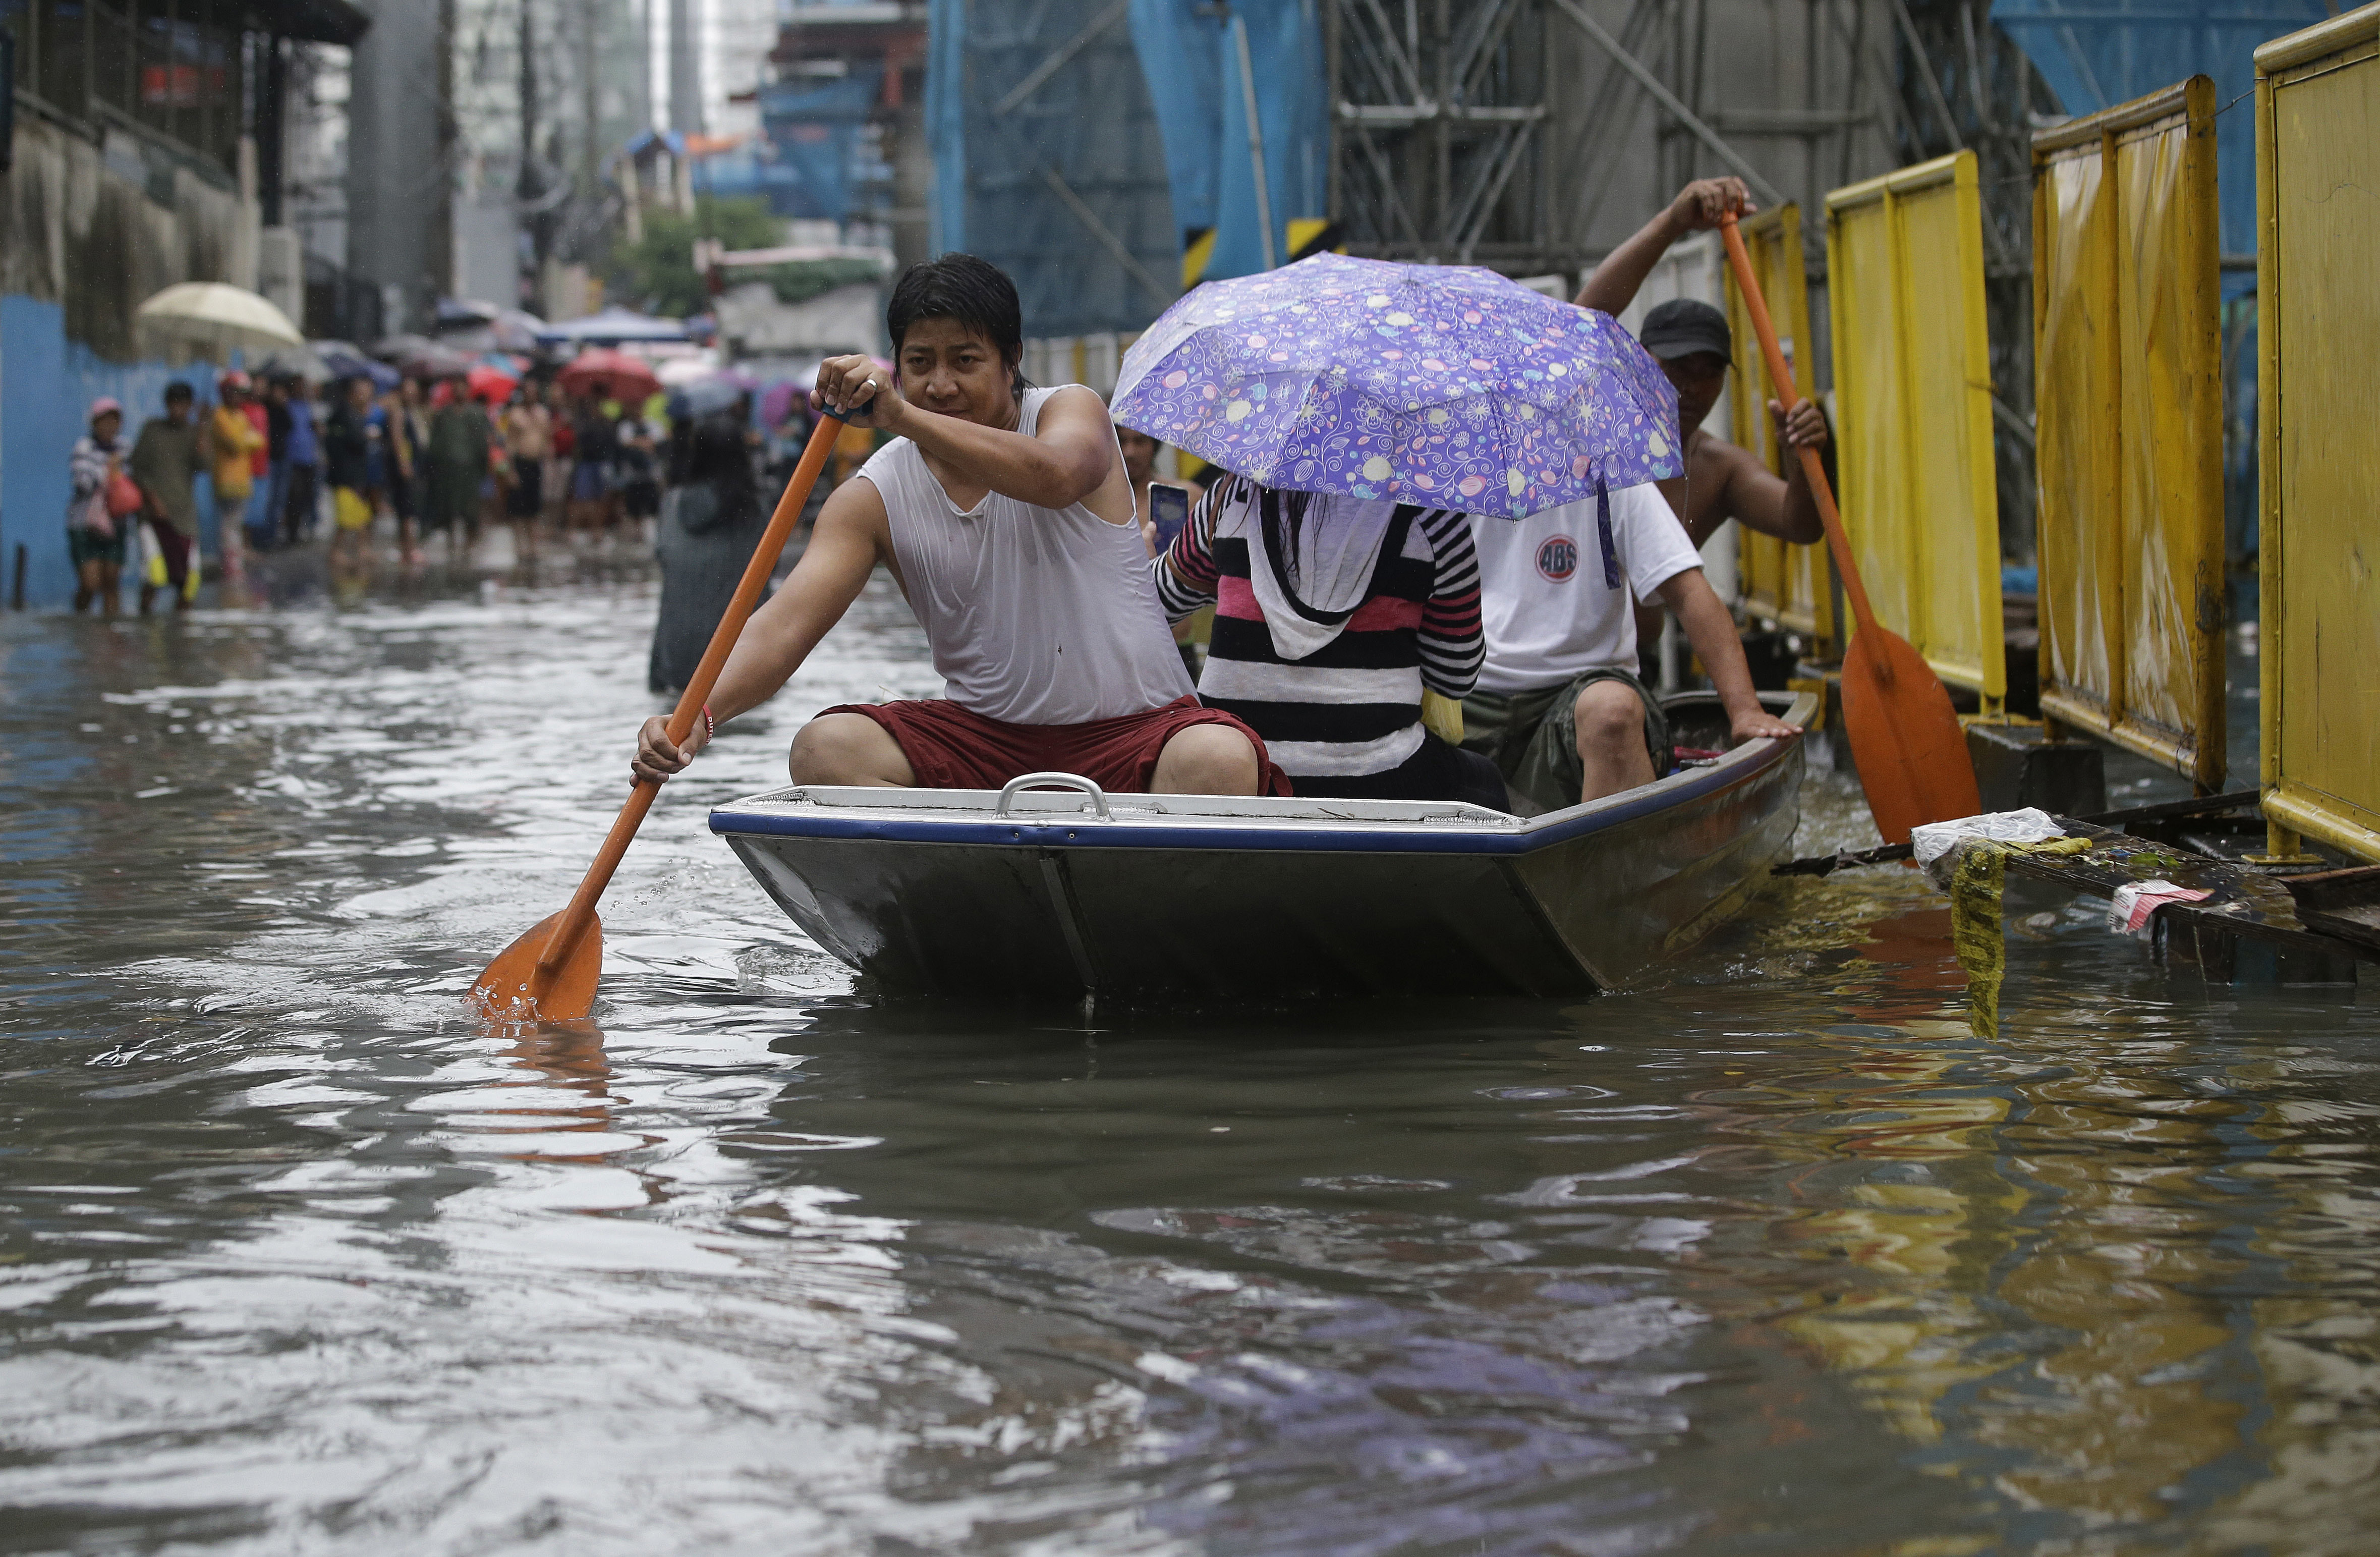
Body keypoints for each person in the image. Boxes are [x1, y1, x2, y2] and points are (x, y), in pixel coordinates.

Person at [632, 252, 1282, 799]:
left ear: (1011, 360)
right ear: (898, 364)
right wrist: (697, 714)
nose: (939, 384)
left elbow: (1054, 478)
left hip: (1133, 729)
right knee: (825, 750)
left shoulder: (1070, 411)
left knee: (1219, 757)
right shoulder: (874, 494)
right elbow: (784, 623)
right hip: (986, 740)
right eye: (919, 364)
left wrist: (899, 413)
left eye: (964, 361)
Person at [1152, 474, 1502, 807]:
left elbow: (1157, 603)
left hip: (1238, 770)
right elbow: (1456, 673)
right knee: (1486, 783)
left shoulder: (1233, 496)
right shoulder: (1434, 515)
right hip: (1381, 775)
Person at [1460, 484, 1800, 811]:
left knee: (1613, 713)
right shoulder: (1439, 480)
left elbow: (1689, 593)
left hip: (1578, 693)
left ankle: (1610, 867)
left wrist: (1745, 711)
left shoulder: (1610, 478)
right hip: (1464, 695)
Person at [1575, 178, 1830, 554]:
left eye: (1710, 372)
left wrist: (1803, 461)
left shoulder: (1719, 469)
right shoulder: (1587, 432)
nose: (1693, 387)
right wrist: (1672, 222)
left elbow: (1800, 525)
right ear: (1640, 362)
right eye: (1678, 367)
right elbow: (1578, 322)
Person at [649, 391, 764, 694]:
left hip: (675, 657)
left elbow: (663, 557)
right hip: (739, 662)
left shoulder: (671, 505)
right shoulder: (758, 514)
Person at [130, 381, 210, 613]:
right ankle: (146, 628)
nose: (178, 410)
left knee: (190, 583)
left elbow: (203, 465)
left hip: (184, 517)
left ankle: (181, 639)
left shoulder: (195, 433)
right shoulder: (152, 430)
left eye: (184, 405)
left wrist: (203, 427)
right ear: (167, 404)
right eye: (174, 404)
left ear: (190, 406)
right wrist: (153, 500)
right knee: (155, 576)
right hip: (153, 516)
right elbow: (138, 468)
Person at [67, 398, 130, 615]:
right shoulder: (83, 447)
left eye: (114, 421)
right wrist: (109, 471)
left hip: (115, 525)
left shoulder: (125, 448)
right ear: (94, 423)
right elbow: (82, 483)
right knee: (90, 584)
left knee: (112, 584)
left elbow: (132, 482)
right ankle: (81, 625)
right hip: (84, 523)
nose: (109, 427)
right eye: (104, 421)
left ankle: (111, 638)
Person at [422, 374, 492, 550]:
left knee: (470, 510)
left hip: (471, 470)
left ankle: (470, 544)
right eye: (456, 386)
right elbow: (436, 442)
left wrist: (486, 465)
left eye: (463, 387)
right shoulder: (444, 414)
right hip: (447, 470)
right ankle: (451, 543)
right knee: (448, 508)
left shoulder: (477, 413)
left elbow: (484, 442)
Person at [208, 372, 266, 582]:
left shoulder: (240, 417)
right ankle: (230, 565)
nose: (237, 398)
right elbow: (236, 444)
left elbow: (259, 440)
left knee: (235, 524)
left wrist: (246, 440)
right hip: (225, 479)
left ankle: (234, 562)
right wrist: (247, 440)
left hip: (242, 479)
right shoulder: (220, 416)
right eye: (233, 393)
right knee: (228, 525)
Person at [323, 374, 377, 569]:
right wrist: (367, 435)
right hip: (345, 476)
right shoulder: (345, 414)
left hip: (353, 474)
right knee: (347, 519)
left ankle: (361, 549)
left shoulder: (351, 414)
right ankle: (336, 551)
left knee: (361, 515)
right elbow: (352, 441)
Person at [501, 386, 551, 540]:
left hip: (536, 463)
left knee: (534, 507)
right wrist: (511, 471)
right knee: (518, 508)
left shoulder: (543, 414)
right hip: (520, 463)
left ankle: (533, 544)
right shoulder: (515, 414)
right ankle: (520, 544)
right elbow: (509, 444)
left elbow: (546, 439)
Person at [279, 375, 321, 546]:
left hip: (309, 458)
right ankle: (292, 533)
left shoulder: (309, 407)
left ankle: (304, 529)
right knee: (294, 497)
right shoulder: (287, 406)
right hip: (292, 458)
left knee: (307, 496)